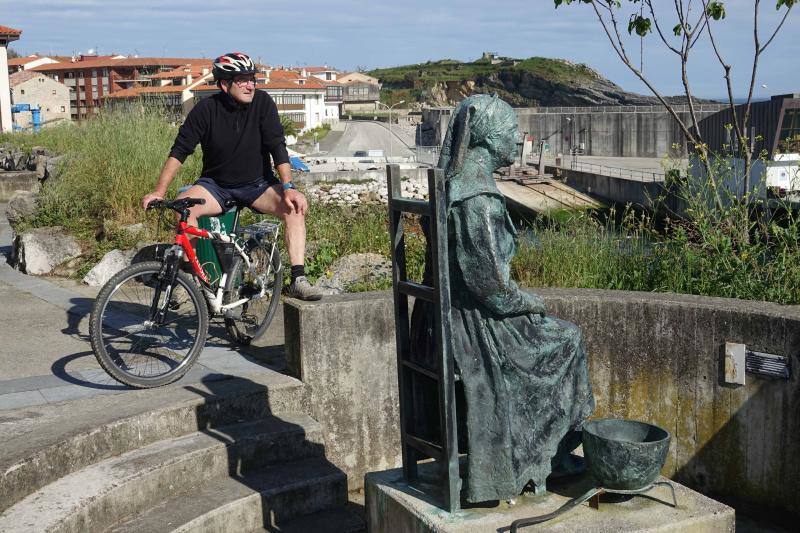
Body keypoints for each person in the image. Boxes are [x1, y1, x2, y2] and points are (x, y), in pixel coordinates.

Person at [408, 94, 595, 503]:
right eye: (512, 131)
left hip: (443, 319)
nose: (517, 139)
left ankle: (541, 455)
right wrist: (532, 303)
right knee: (568, 340)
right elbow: (491, 286)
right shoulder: (479, 200)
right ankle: (547, 457)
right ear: (490, 139)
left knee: (559, 337)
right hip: (475, 330)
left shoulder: (452, 186)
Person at [141, 51, 322, 301]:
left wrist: (288, 186)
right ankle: (191, 279)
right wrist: (159, 191)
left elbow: (277, 146)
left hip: (258, 185)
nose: (250, 85)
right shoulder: (205, 110)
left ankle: (299, 278)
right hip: (216, 186)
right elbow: (180, 151)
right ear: (225, 84)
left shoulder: (263, 103)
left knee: (295, 207)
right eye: (243, 80)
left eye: (252, 79)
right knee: (183, 209)